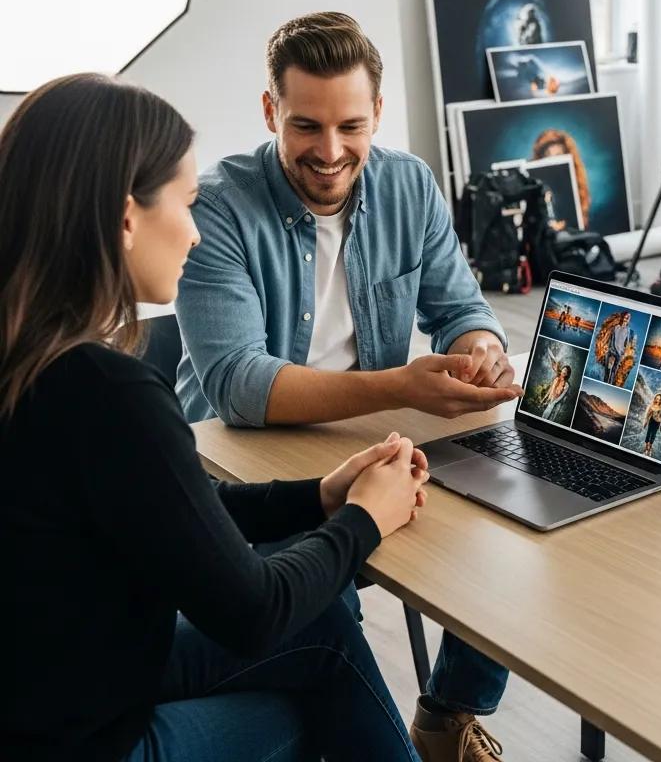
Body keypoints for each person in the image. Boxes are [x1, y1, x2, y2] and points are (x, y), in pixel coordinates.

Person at [0, 74, 429, 761]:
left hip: (47, 691)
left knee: (327, 633)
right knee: (315, 702)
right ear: (125, 216)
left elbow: (173, 506)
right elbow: (253, 612)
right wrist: (365, 520)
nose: (197, 234)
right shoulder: (107, 391)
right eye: (188, 202)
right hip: (86, 739)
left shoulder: (31, 357)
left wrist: (317, 496)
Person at [173, 12, 520, 759]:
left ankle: (449, 711)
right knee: (320, 613)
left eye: (351, 127)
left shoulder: (409, 184)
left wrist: (480, 348)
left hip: (374, 441)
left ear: (378, 114)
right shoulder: (217, 207)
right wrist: (400, 387)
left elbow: (460, 308)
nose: (330, 153)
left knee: (509, 528)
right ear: (270, 111)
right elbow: (238, 385)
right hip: (243, 468)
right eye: (305, 127)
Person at [531, 128, 591, 228]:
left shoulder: (576, 185)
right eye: (547, 156)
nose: (552, 161)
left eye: (558, 156)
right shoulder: (533, 186)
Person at [540, 347, 572, 423]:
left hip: (555, 402)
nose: (564, 371)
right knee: (544, 415)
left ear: (567, 374)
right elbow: (551, 389)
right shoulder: (556, 378)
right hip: (551, 399)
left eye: (566, 371)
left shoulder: (566, 385)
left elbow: (562, 395)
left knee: (550, 417)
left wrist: (554, 401)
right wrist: (545, 398)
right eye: (563, 369)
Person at [603, 312, 631, 386]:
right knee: (607, 370)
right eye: (626, 316)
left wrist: (623, 353)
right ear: (623, 317)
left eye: (629, 317)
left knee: (613, 372)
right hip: (611, 351)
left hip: (619, 353)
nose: (627, 318)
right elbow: (611, 338)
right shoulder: (616, 327)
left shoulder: (628, 330)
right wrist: (608, 348)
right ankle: (604, 383)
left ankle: (609, 385)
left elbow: (626, 343)